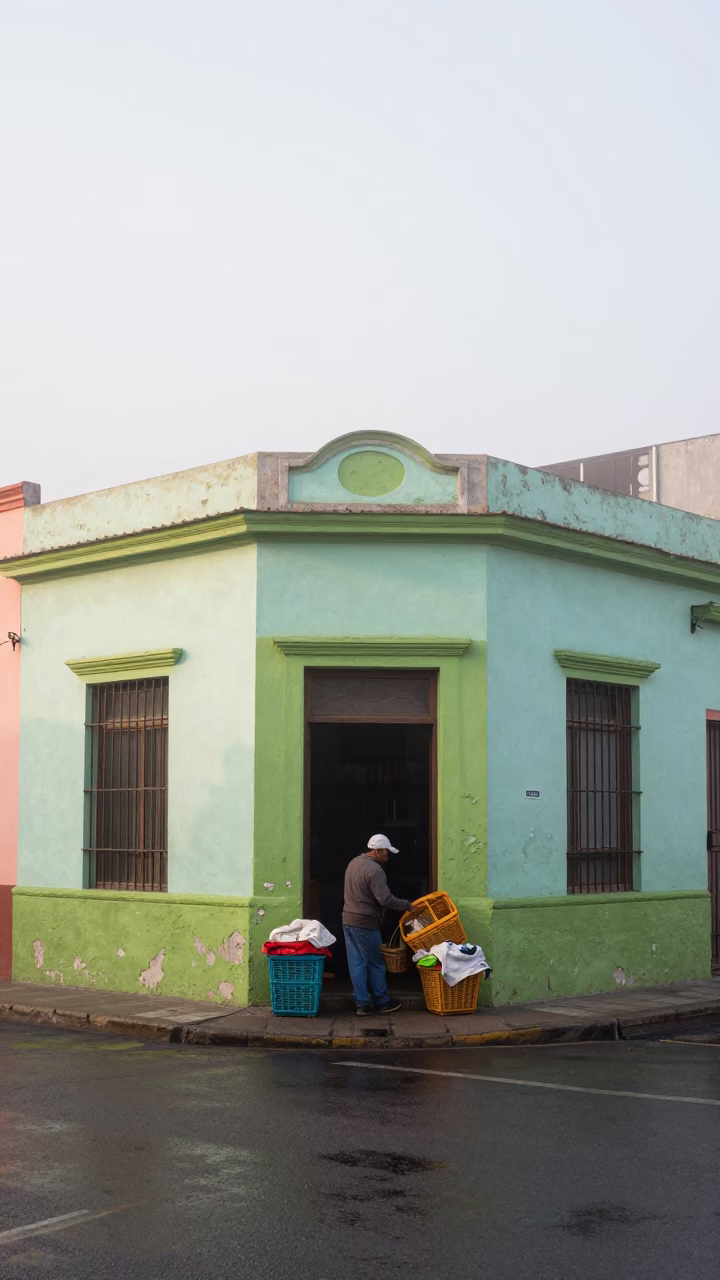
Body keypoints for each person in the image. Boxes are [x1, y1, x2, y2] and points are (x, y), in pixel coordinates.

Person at [343, 833, 412, 1015]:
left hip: (348, 919)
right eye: (386, 853)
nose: (387, 857)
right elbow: (385, 899)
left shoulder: (353, 863)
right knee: (376, 963)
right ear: (377, 850)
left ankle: (362, 1004)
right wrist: (408, 906)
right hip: (365, 921)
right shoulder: (375, 870)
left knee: (356, 962)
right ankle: (383, 1001)